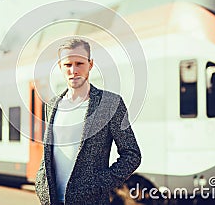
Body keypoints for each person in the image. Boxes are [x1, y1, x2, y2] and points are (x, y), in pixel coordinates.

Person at [35, 38, 141, 205]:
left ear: (90, 64)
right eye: (68, 65)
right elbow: (50, 154)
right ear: (60, 67)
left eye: (79, 63)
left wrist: (97, 185)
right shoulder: (52, 105)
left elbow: (132, 155)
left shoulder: (110, 104)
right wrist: (41, 183)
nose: (73, 70)